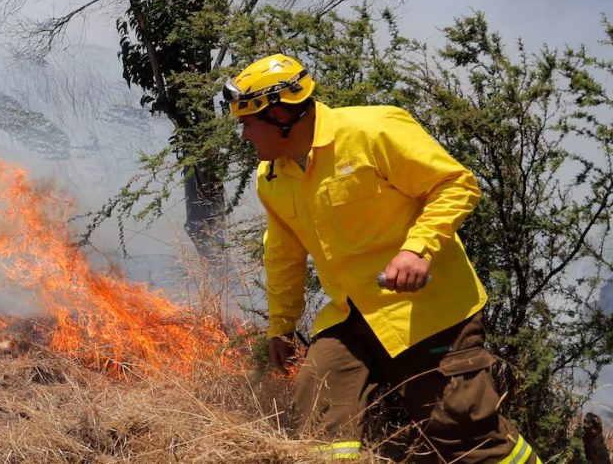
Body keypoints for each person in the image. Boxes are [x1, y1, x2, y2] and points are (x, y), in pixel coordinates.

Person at [224, 54, 539, 462]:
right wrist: (281, 326)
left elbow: (455, 184)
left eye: (249, 123)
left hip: (430, 314)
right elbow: (283, 256)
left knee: (466, 441)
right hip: (349, 317)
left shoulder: (373, 130)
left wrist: (417, 249)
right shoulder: (271, 177)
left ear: (283, 114)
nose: (245, 135)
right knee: (317, 418)